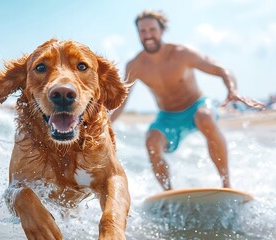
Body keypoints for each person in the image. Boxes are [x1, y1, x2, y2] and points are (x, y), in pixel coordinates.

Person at [110, 9, 265, 191]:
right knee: (151, 141)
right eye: (142, 31)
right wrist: (106, 123)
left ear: (162, 30)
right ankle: (168, 193)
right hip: (168, 116)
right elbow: (121, 101)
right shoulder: (135, 65)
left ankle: (226, 184)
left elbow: (222, 70)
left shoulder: (182, 53)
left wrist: (232, 90)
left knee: (204, 116)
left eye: (152, 29)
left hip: (197, 106)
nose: (147, 35)